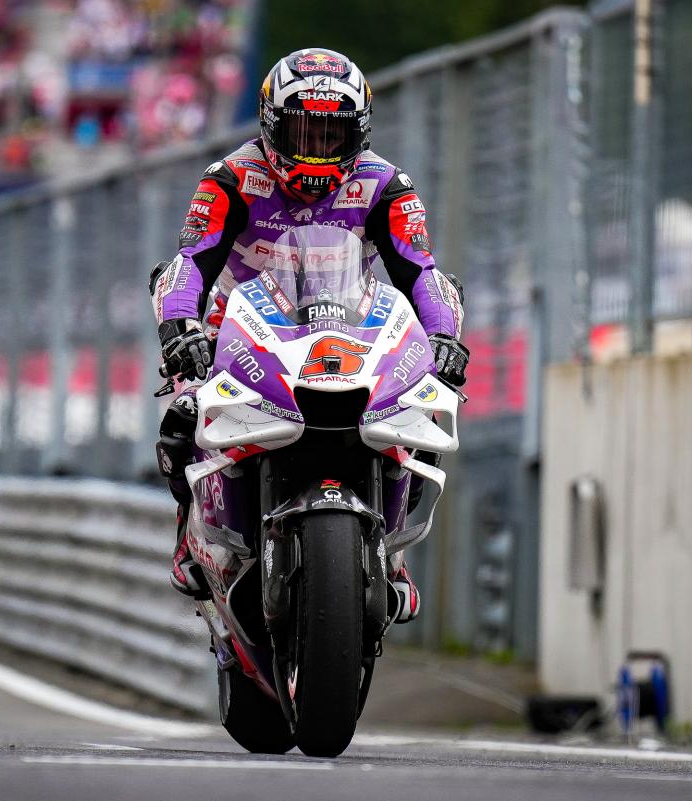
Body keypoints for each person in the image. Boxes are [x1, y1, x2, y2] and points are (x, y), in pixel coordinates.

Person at [149, 48, 469, 623]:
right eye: (302, 130)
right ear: (273, 125)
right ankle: (188, 530)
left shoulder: (386, 185)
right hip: (240, 321)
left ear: (359, 134)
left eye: (332, 132)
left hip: (348, 320)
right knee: (182, 413)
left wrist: (444, 337)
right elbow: (190, 263)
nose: (316, 147)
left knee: (418, 408)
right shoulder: (228, 179)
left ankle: (390, 553)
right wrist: (182, 329)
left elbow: (421, 272)